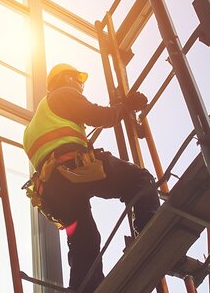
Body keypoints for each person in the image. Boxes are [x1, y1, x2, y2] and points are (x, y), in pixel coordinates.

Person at [22, 63, 160, 292]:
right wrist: (126, 105)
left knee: (84, 242)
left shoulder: (31, 128)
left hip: (52, 190)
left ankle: (86, 289)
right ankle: (149, 234)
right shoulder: (62, 94)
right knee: (139, 180)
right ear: (65, 79)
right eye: (78, 80)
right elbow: (99, 116)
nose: (81, 87)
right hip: (75, 169)